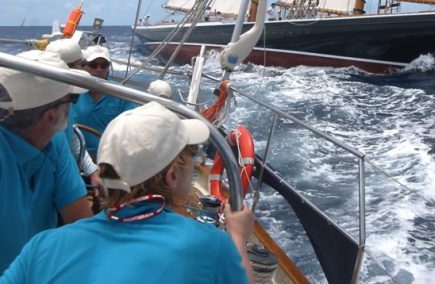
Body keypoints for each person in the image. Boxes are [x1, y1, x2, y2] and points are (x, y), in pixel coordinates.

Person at [1, 102, 254, 283]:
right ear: (172, 176)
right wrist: (239, 238)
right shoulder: (210, 245)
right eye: (191, 157)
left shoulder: (41, 247)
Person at [0, 50, 93, 273]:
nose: (74, 106)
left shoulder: (55, 142)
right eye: (73, 99)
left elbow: (80, 225)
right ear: (51, 116)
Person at [45, 40, 101, 195]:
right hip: (55, 183)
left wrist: (93, 173)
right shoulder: (47, 112)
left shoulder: (66, 103)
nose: (86, 70)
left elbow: (74, 140)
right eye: (82, 65)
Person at [71, 46, 137, 157]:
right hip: (76, 155)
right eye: (93, 65)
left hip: (110, 159)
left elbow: (132, 127)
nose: (99, 69)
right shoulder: (73, 92)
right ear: (84, 66)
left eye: (104, 65)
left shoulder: (121, 93)